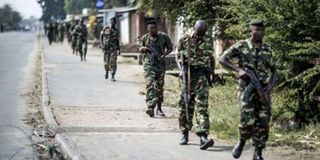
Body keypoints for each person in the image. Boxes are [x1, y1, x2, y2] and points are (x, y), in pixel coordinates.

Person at [219, 20, 276, 160]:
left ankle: (258, 152)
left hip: (263, 90)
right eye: (256, 30)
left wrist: (270, 86)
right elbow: (222, 59)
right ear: (251, 30)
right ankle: (242, 141)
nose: (259, 33)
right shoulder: (241, 46)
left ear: (264, 32)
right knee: (246, 120)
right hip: (246, 89)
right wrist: (238, 70)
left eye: (261, 30)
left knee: (263, 121)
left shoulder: (268, 49)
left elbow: (274, 70)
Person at [176, 20, 215, 150]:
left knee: (202, 107)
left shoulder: (208, 41)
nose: (200, 37)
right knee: (185, 106)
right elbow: (177, 55)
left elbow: (211, 58)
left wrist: (212, 75)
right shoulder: (184, 40)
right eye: (198, 34)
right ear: (194, 29)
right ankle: (184, 132)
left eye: (202, 35)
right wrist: (181, 70)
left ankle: (203, 136)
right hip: (187, 76)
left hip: (201, 76)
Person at [139, 20, 173, 117]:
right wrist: (144, 49)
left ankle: (159, 108)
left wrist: (164, 55)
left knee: (159, 88)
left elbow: (170, 47)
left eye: (154, 28)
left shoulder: (163, 37)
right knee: (150, 85)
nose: (153, 30)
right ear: (148, 29)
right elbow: (141, 49)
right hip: (149, 66)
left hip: (160, 67)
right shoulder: (145, 38)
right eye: (151, 29)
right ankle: (150, 107)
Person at [100, 17, 120, 81]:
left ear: (115, 23)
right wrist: (102, 45)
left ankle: (112, 76)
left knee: (113, 62)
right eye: (111, 21)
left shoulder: (117, 31)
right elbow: (101, 36)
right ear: (110, 22)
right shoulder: (106, 29)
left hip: (114, 48)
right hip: (106, 48)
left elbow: (117, 40)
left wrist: (119, 49)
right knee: (106, 63)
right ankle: (106, 71)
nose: (112, 23)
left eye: (114, 22)